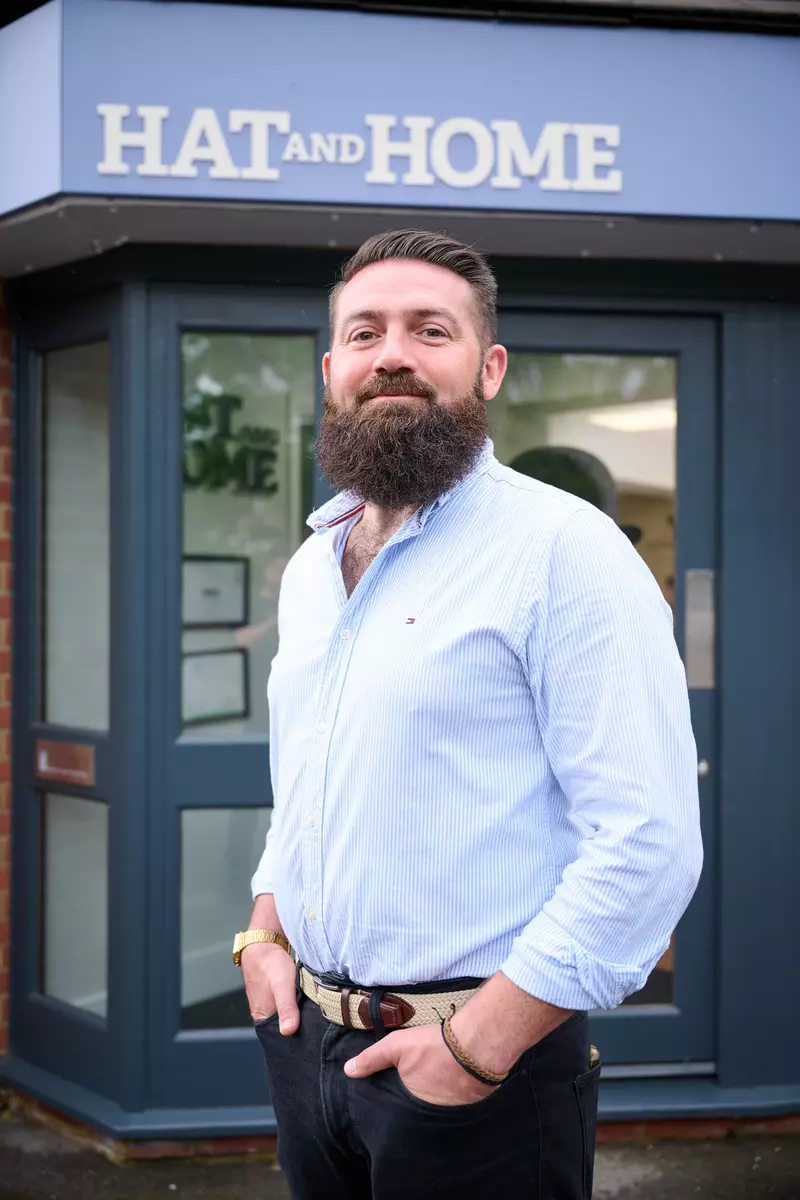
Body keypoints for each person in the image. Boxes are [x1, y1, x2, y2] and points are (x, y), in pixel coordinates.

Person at [233, 230, 702, 1200]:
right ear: (332, 371)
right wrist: (263, 931)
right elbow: (310, 786)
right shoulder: (308, 571)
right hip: (305, 1050)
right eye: (363, 333)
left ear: (486, 368)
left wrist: (473, 1050)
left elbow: (646, 845)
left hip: (480, 1068)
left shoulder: (562, 552)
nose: (391, 352)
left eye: (427, 329)